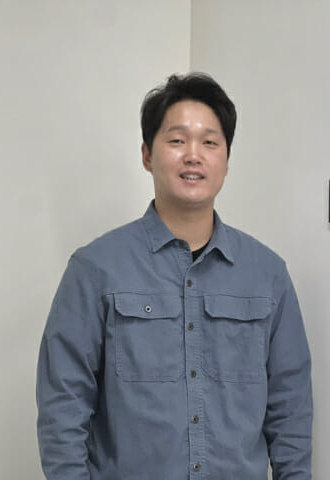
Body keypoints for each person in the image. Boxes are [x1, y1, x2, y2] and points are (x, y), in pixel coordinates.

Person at [36, 73, 313, 479]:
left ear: (227, 161)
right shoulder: (95, 269)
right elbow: (63, 406)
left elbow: (291, 410)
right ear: (147, 155)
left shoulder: (268, 275)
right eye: (177, 140)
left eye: (210, 142)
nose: (193, 155)